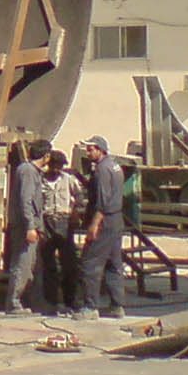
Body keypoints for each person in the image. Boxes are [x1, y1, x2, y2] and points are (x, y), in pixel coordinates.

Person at [76, 136, 128, 319]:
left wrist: (94, 225)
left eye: (90, 150)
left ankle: (90, 307)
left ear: (100, 150)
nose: (88, 153)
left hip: (104, 221)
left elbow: (102, 201)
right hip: (116, 220)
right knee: (114, 263)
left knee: (90, 263)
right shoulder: (115, 166)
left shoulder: (102, 170)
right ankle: (117, 306)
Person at [1, 139, 51, 314]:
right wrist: (30, 226)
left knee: (34, 267)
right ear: (46, 156)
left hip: (33, 226)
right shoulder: (28, 171)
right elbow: (26, 201)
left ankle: (36, 302)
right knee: (22, 264)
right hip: (25, 227)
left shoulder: (32, 171)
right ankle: (13, 303)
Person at [37, 149, 81, 314]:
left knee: (69, 264)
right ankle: (52, 302)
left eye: (60, 167)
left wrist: (75, 212)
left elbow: (79, 196)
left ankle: (70, 300)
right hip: (47, 221)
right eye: (54, 166)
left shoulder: (69, 180)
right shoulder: (40, 181)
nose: (57, 170)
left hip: (64, 221)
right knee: (49, 265)